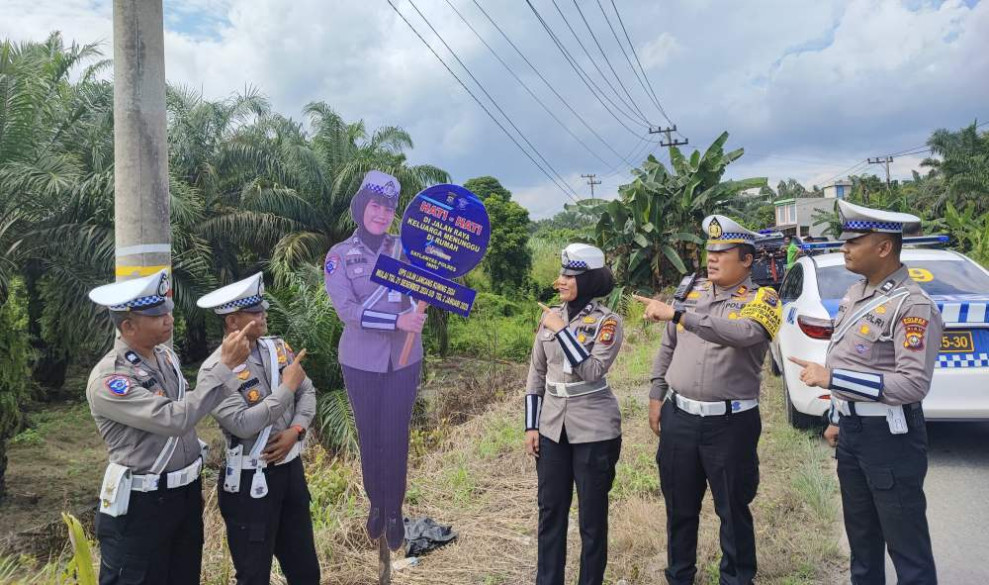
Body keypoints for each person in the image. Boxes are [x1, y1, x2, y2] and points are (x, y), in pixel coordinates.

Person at [789, 200, 941, 585]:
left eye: (854, 241)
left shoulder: (913, 306)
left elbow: (912, 384)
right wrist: (839, 417)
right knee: (862, 545)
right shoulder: (855, 294)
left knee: (908, 551)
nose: (844, 247)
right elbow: (852, 361)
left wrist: (832, 380)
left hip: (892, 439)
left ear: (884, 247)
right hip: (854, 436)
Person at [637, 215, 782, 585]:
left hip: (730, 424)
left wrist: (682, 315)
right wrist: (657, 393)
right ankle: (679, 575)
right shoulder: (692, 291)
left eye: (723, 251)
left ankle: (736, 578)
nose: (712, 258)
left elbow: (742, 333)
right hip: (680, 417)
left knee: (733, 510)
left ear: (747, 259)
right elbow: (668, 344)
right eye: (710, 250)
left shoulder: (763, 299)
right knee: (680, 508)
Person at [86, 269, 252, 585]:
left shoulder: (165, 357)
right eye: (156, 314)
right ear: (128, 326)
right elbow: (176, 419)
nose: (167, 319)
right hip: (143, 505)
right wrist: (223, 366)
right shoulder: (111, 380)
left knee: (184, 575)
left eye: (167, 310)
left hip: (184, 495)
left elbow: (192, 402)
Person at [323, 170, 426, 551]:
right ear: (361, 207)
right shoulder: (339, 256)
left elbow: (420, 291)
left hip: (403, 360)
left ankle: (395, 509)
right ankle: (376, 503)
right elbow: (349, 311)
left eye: (389, 208)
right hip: (360, 361)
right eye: (376, 206)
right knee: (370, 434)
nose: (382, 214)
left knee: (396, 434)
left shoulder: (404, 249)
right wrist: (397, 319)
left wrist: (416, 307)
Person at [196, 272, 320, 585]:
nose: (263, 315)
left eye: (262, 309)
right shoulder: (215, 369)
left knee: (305, 570)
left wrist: (297, 431)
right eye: (255, 312)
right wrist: (287, 387)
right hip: (250, 479)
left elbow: (308, 392)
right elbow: (243, 423)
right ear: (233, 321)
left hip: (290, 471)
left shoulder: (276, 348)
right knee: (253, 575)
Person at [524, 243, 624, 585]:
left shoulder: (608, 322)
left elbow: (593, 370)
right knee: (550, 512)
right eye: (562, 273)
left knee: (592, 520)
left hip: (594, 430)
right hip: (552, 428)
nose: (560, 280)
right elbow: (536, 373)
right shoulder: (549, 316)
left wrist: (562, 329)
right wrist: (530, 426)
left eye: (569, 275)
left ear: (590, 280)